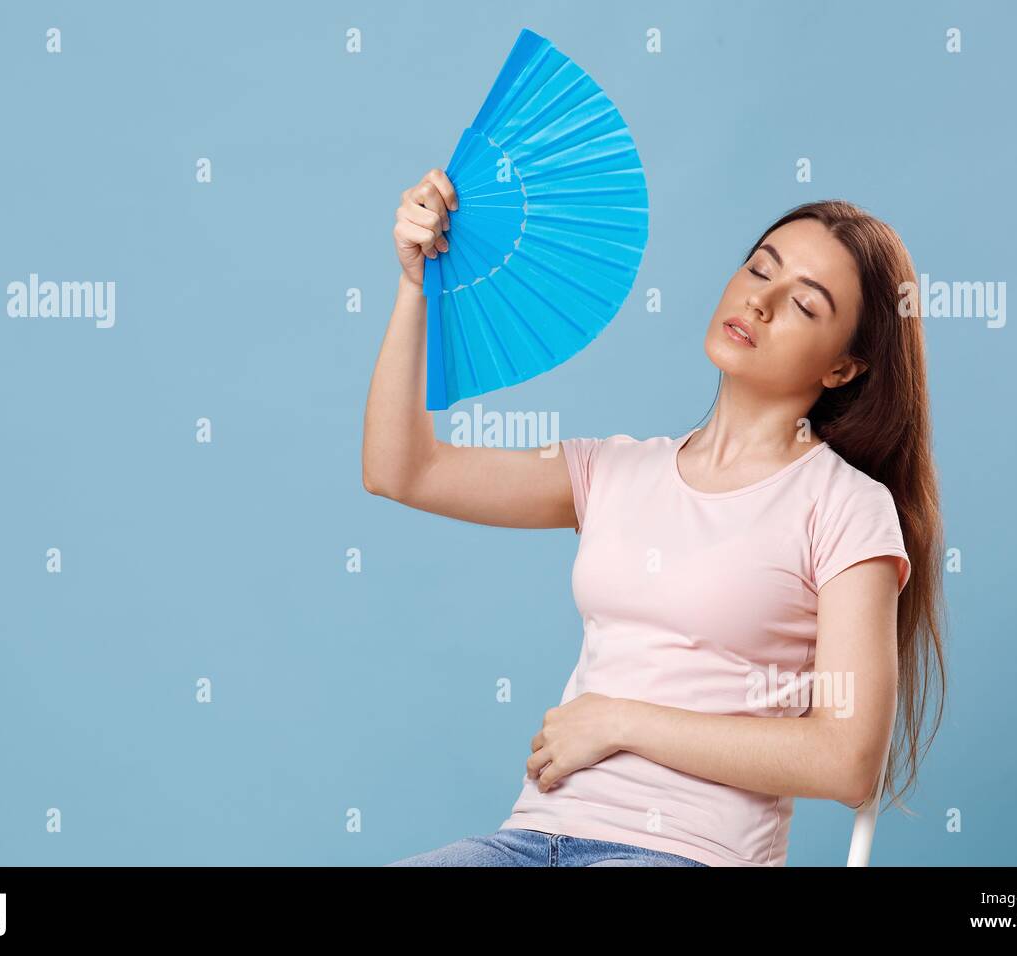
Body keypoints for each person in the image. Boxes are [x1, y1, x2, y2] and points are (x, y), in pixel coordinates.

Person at [364, 169, 947, 867]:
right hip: (525, 841)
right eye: (760, 268)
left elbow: (847, 759)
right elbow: (402, 470)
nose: (759, 301)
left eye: (805, 304)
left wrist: (620, 721)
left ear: (843, 369)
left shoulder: (847, 506)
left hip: (687, 852)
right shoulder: (614, 470)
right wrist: (414, 286)